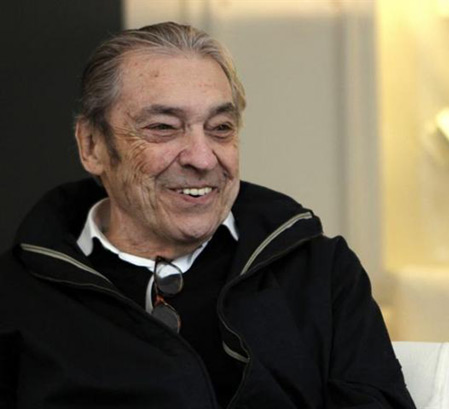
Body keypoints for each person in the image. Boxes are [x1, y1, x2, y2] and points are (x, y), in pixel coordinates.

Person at [0, 22, 415, 409]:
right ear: (92, 145)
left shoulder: (319, 272)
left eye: (220, 128)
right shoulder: (16, 294)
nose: (202, 158)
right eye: (163, 127)